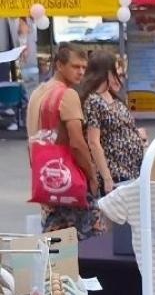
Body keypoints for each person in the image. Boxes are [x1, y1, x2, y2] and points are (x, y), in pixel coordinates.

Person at [27, 44, 102, 237]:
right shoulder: (67, 94)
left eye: (84, 67)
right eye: (75, 66)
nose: (81, 72)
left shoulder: (38, 92)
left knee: (55, 244)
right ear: (59, 65)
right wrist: (92, 175)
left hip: (44, 175)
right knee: (86, 242)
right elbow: (77, 143)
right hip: (68, 178)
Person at [80, 50, 145, 194]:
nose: (120, 73)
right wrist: (107, 177)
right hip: (116, 171)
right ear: (106, 72)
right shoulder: (94, 101)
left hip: (132, 169)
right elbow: (94, 142)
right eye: (116, 70)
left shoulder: (113, 96)